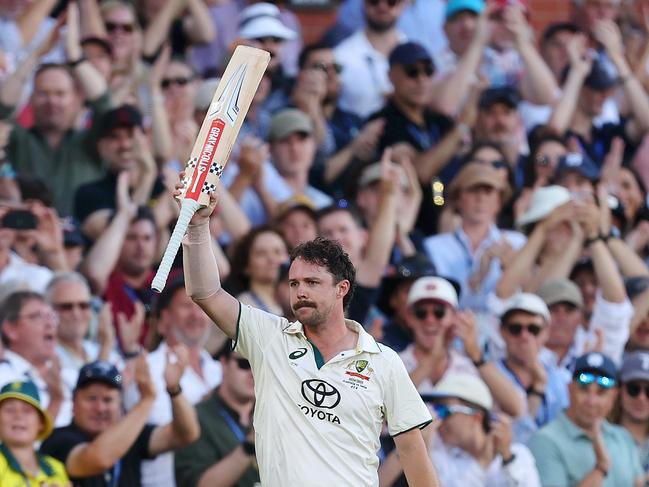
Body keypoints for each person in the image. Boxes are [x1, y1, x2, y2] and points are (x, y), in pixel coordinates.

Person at [179, 181, 440, 485]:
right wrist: (198, 227)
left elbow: (413, 453)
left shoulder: (384, 361)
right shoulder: (268, 337)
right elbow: (205, 292)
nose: (300, 292)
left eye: (312, 283)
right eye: (294, 283)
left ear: (341, 289)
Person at [40, 358, 200, 486]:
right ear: (74, 403)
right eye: (91, 399)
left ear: (120, 405)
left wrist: (174, 389)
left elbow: (185, 434)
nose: (100, 408)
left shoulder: (130, 435)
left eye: (108, 400)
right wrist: (146, 400)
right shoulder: (58, 439)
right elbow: (97, 459)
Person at [124, 278, 223, 487]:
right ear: (162, 321)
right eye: (187, 306)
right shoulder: (146, 371)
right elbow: (159, 429)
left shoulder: (221, 371)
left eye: (202, 307)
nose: (196, 315)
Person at [399, 276, 524, 417]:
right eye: (421, 313)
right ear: (409, 318)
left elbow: (515, 408)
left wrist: (475, 353)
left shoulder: (470, 364)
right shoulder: (393, 363)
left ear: (453, 316)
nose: (430, 320)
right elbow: (384, 412)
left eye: (439, 312)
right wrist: (431, 360)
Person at [529, 352, 644, 486]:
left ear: (613, 396)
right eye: (584, 390)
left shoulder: (623, 437)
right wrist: (601, 468)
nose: (591, 401)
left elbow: (638, 483)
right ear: (570, 389)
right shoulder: (545, 440)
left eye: (601, 392)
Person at [423, 163, 524, 314]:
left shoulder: (516, 242)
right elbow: (438, 303)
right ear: (458, 199)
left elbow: (530, 296)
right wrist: (479, 275)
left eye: (488, 191)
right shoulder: (436, 247)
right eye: (473, 190)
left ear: (499, 201)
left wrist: (512, 268)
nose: (480, 198)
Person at [427, 374, 541, 487]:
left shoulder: (519, 455)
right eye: (435, 410)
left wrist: (507, 458)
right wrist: (481, 464)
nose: (438, 418)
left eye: (444, 410)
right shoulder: (440, 458)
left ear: (476, 417)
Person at [174, 344, 259, 487]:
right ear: (224, 363)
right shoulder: (197, 417)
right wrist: (250, 446)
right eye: (244, 364)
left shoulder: (271, 414)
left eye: (258, 365)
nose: (252, 373)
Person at [495, 293, 569, 443]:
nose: (525, 336)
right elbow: (518, 438)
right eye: (516, 329)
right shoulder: (491, 375)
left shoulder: (563, 379)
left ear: (546, 332)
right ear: (502, 332)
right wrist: (538, 387)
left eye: (533, 329)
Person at [0, 291, 65, 425]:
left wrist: (119, 378)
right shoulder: (3, 377)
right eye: (37, 317)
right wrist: (56, 400)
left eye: (52, 317)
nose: (49, 324)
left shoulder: (69, 374)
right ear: (11, 329)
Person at [334, 0, 406, 118]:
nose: (382, 7)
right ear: (363, 4)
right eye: (374, 1)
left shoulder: (418, 55)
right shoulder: (340, 56)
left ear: (404, 4)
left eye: (391, 2)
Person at [0, 380, 69, 486]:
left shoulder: (56, 467)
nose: (18, 416)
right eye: (9, 410)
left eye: (27, 410)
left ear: (40, 422)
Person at [227, 226, 289, 316]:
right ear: (246, 266)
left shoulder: (291, 304)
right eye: (261, 253)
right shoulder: (242, 308)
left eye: (278, 252)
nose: (272, 259)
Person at [612, 351, 649, 475]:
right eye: (634, 389)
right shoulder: (598, 436)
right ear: (619, 391)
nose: (641, 398)